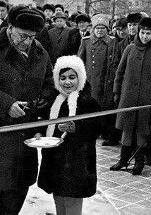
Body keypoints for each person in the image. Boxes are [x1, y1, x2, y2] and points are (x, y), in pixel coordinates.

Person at [0, 5, 55, 215]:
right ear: (10, 27)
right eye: (23, 36)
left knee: (15, 197)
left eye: (32, 37)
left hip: (23, 138)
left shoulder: (40, 54)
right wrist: (6, 104)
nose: (27, 42)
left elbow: (49, 84)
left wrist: (39, 102)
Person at [37, 55, 101, 215]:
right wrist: (38, 132)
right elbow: (44, 122)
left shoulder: (88, 102)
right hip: (55, 161)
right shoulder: (52, 101)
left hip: (77, 163)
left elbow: (98, 128)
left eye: (72, 77)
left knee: (72, 201)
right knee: (58, 197)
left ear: (80, 78)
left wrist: (77, 128)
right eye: (63, 77)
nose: (67, 82)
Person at [111, 18, 151, 175]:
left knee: (141, 131)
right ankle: (123, 159)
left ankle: (139, 161)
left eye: (148, 33)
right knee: (127, 129)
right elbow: (120, 71)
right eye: (142, 33)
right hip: (128, 97)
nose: (144, 37)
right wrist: (117, 91)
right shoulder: (130, 49)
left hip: (146, 100)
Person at [78, 14, 120, 146]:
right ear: (93, 29)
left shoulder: (113, 41)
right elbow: (80, 61)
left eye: (103, 28)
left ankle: (108, 133)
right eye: (97, 28)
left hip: (107, 79)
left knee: (107, 107)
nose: (100, 30)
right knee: (92, 107)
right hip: (92, 80)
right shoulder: (86, 41)